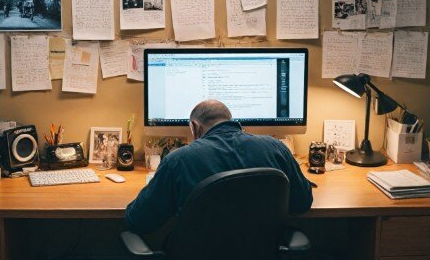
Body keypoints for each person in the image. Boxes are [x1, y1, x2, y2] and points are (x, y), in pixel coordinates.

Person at [125, 100, 313, 234]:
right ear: (232, 120)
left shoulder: (178, 160)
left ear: (194, 127)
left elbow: (140, 221)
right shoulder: (277, 149)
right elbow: (302, 203)